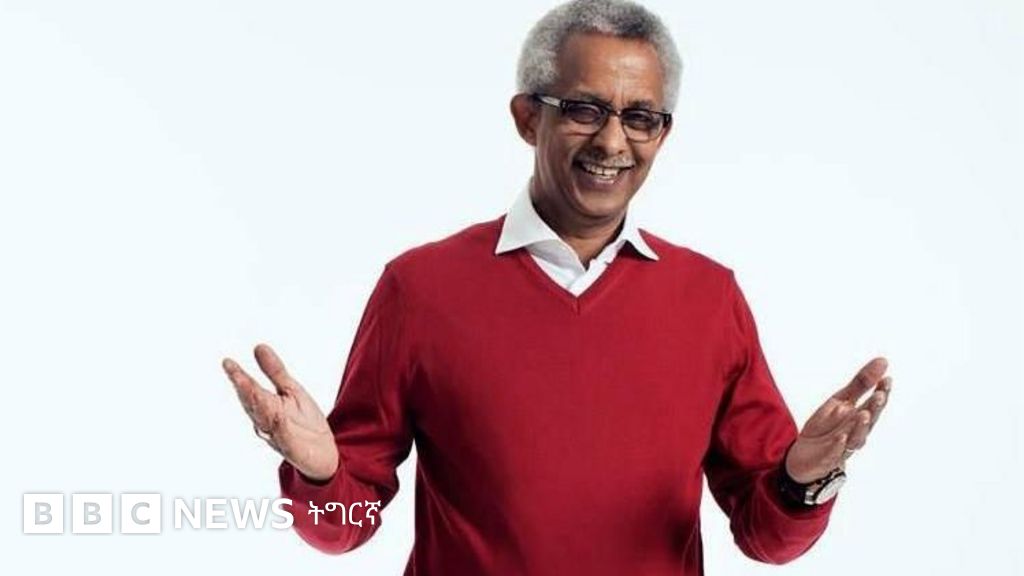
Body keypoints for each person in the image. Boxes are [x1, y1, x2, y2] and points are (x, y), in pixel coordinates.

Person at [220, 0, 893, 574]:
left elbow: (766, 536)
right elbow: (343, 524)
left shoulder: (710, 298)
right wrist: (319, 474)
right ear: (526, 118)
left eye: (641, 117)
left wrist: (802, 482)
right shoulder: (419, 289)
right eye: (584, 109)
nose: (613, 141)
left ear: (663, 134)